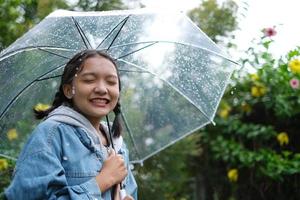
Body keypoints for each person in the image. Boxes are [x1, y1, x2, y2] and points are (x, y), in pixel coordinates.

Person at [4, 50, 137, 199]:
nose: (101, 88)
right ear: (68, 90)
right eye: (89, 80)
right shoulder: (52, 135)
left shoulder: (118, 145)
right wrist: (102, 181)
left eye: (111, 82)